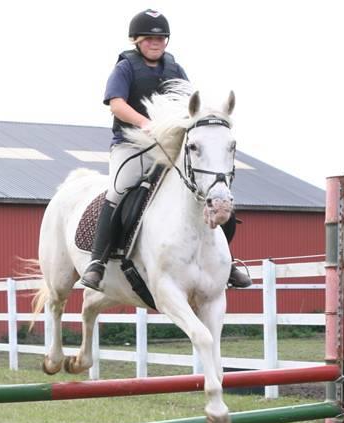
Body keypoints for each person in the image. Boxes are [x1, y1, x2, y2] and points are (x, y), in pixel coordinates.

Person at [80, 8, 252, 291]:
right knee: (119, 189)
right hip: (132, 144)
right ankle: (97, 263)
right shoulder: (125, 68)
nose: (155, 43)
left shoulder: (175, 69)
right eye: (149, 38)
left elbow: (189, 106)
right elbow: (116, 104)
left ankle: (226, 262)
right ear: (136, 40)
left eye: (160, 39)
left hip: (169, 145)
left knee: (211, 190)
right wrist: (145, 123)